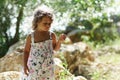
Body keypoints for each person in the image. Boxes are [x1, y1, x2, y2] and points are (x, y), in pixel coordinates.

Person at [23, 6, 66, 80]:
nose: (48, 25)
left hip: (48, 67)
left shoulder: (51, 35)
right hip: (34, 68)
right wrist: (25, 65)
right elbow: (26, 51)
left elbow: (55, 49)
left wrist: (60, 41)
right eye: (45, 23)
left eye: (49, 23)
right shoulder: (31, 36)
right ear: (37, 21)